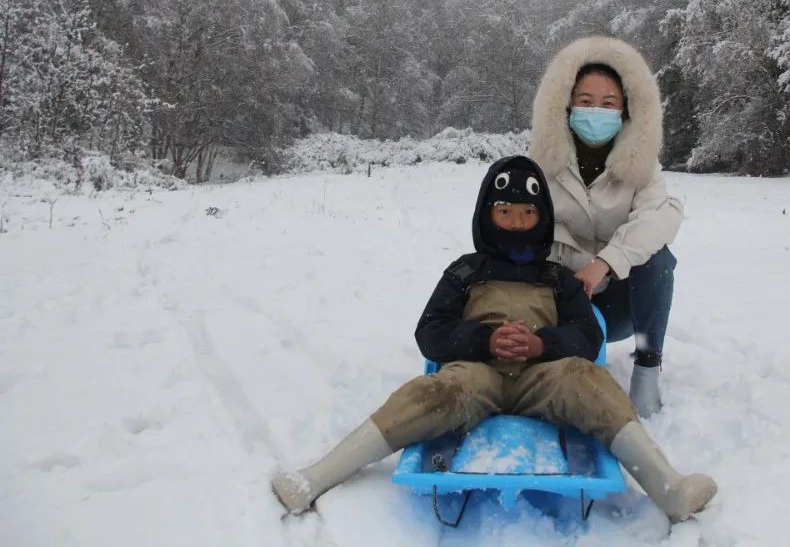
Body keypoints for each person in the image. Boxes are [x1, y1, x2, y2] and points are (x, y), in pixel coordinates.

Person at [270, 156, 716, 522]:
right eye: (505, 212)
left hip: (544, 378)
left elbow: (587, 336)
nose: (517, 224)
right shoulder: (464, 271)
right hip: (476, 375)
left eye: (527, 214)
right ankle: (316, 477)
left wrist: (541, 346)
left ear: (543, 218)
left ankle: (668, 486)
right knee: (430, 393)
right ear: (488, 214)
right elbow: (431, 332)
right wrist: (484, 341)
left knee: (590, 381)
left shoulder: (558, 277)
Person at [529, 36, 682, 417]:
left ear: (626, 109)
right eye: (585, 101)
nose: (596, 111)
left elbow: (658, 218)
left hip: (619, 304)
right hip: (559, 301)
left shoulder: (644, 168)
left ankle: (647, 371)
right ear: (566, 104)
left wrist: (606, 263)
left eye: (608, 103)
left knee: (658, 260)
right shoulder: (538, 167)